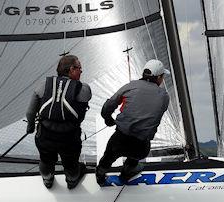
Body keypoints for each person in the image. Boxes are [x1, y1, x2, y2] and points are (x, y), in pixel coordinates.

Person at [96, 58, 171, 186]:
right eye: (162, 77)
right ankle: (127, 173)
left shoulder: (130, 86)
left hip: (119, 140)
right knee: (136, 156)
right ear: (158, 77)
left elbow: (108, 106)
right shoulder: (164, 96)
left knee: (108, 156)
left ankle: (100, 176)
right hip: (140, 147)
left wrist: (108, 119)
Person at [26, 54, 91, 189]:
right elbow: (85, 99)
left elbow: (30, 112)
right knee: (71, 162)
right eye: (80, 68)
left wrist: (30, 127)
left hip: (45, 135)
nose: (81, 71)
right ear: (72, 69)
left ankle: (47, 179)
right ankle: (72, 181)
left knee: (46, 159)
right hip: (69, 138)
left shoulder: (43, 85)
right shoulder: (83, 89)